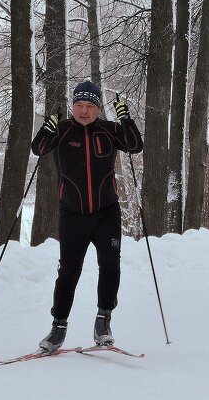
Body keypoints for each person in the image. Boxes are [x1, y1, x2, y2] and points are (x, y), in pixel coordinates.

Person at [30, 79, 143, 352]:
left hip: (106, 213)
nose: (83, 111)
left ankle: (103, 321)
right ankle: (58, 328)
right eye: (79, 105)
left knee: (110, 265)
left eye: (89, 105)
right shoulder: (63, 131)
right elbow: (38, 149)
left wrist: (126, 120)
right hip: (72, 214)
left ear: (97, 108)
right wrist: (47, 127)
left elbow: (134, 145)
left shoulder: (109, 130)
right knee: (68, 271)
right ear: (73, 107)